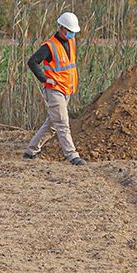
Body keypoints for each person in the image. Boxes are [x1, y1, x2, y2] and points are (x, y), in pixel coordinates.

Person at [23, 12, 84, 165]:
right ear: (62, 28)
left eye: (73, 32)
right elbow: (32, 62)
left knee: (52, 125)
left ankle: (31, 151)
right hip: (54, 89)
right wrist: (44, 79)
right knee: (62, 123)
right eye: (69, 31)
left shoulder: (71, 42)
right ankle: (72, 155)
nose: (71, 34)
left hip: (66, 90)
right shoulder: (49, 46)